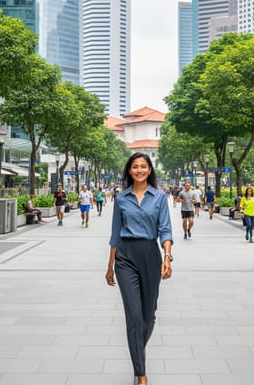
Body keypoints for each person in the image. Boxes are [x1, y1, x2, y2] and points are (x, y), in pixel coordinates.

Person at [105, 152, 173, 385]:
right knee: (133, 315)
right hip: (125, 256)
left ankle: (136, 348)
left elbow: (165, 229)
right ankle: (141, 374)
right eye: (135, 167)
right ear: (129, 170)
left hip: (151, 255)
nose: (139, 170)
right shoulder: (121, 198)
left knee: (148, 314)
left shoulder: (160, 197)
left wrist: (167, 257)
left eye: (143, 166)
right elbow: (115, 233)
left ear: (150, 170)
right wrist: (110, 267)